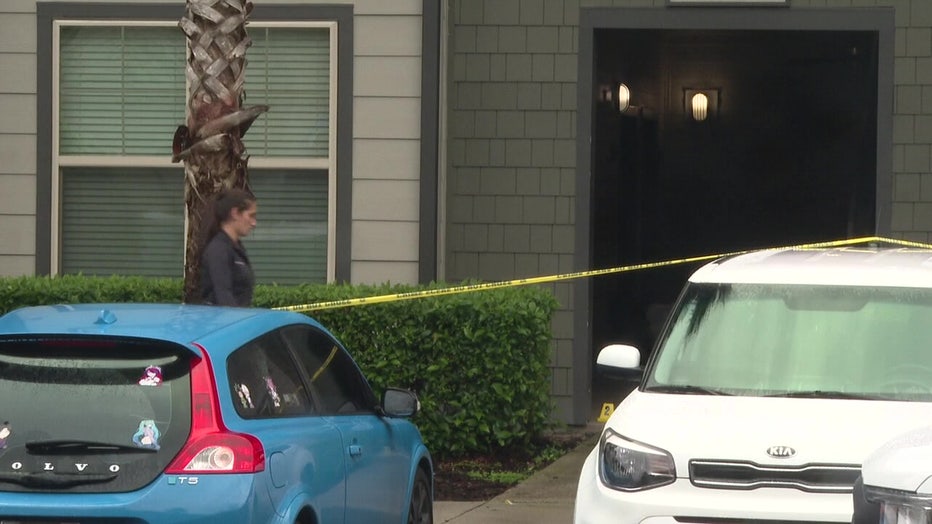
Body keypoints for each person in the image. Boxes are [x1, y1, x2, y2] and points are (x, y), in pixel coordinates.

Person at [199, 188, 257, 307]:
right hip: (224, 322)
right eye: (251, 215)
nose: (254, 223)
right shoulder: (218, 250)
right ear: (235, 213)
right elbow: (223, 295)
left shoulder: (237, 248)